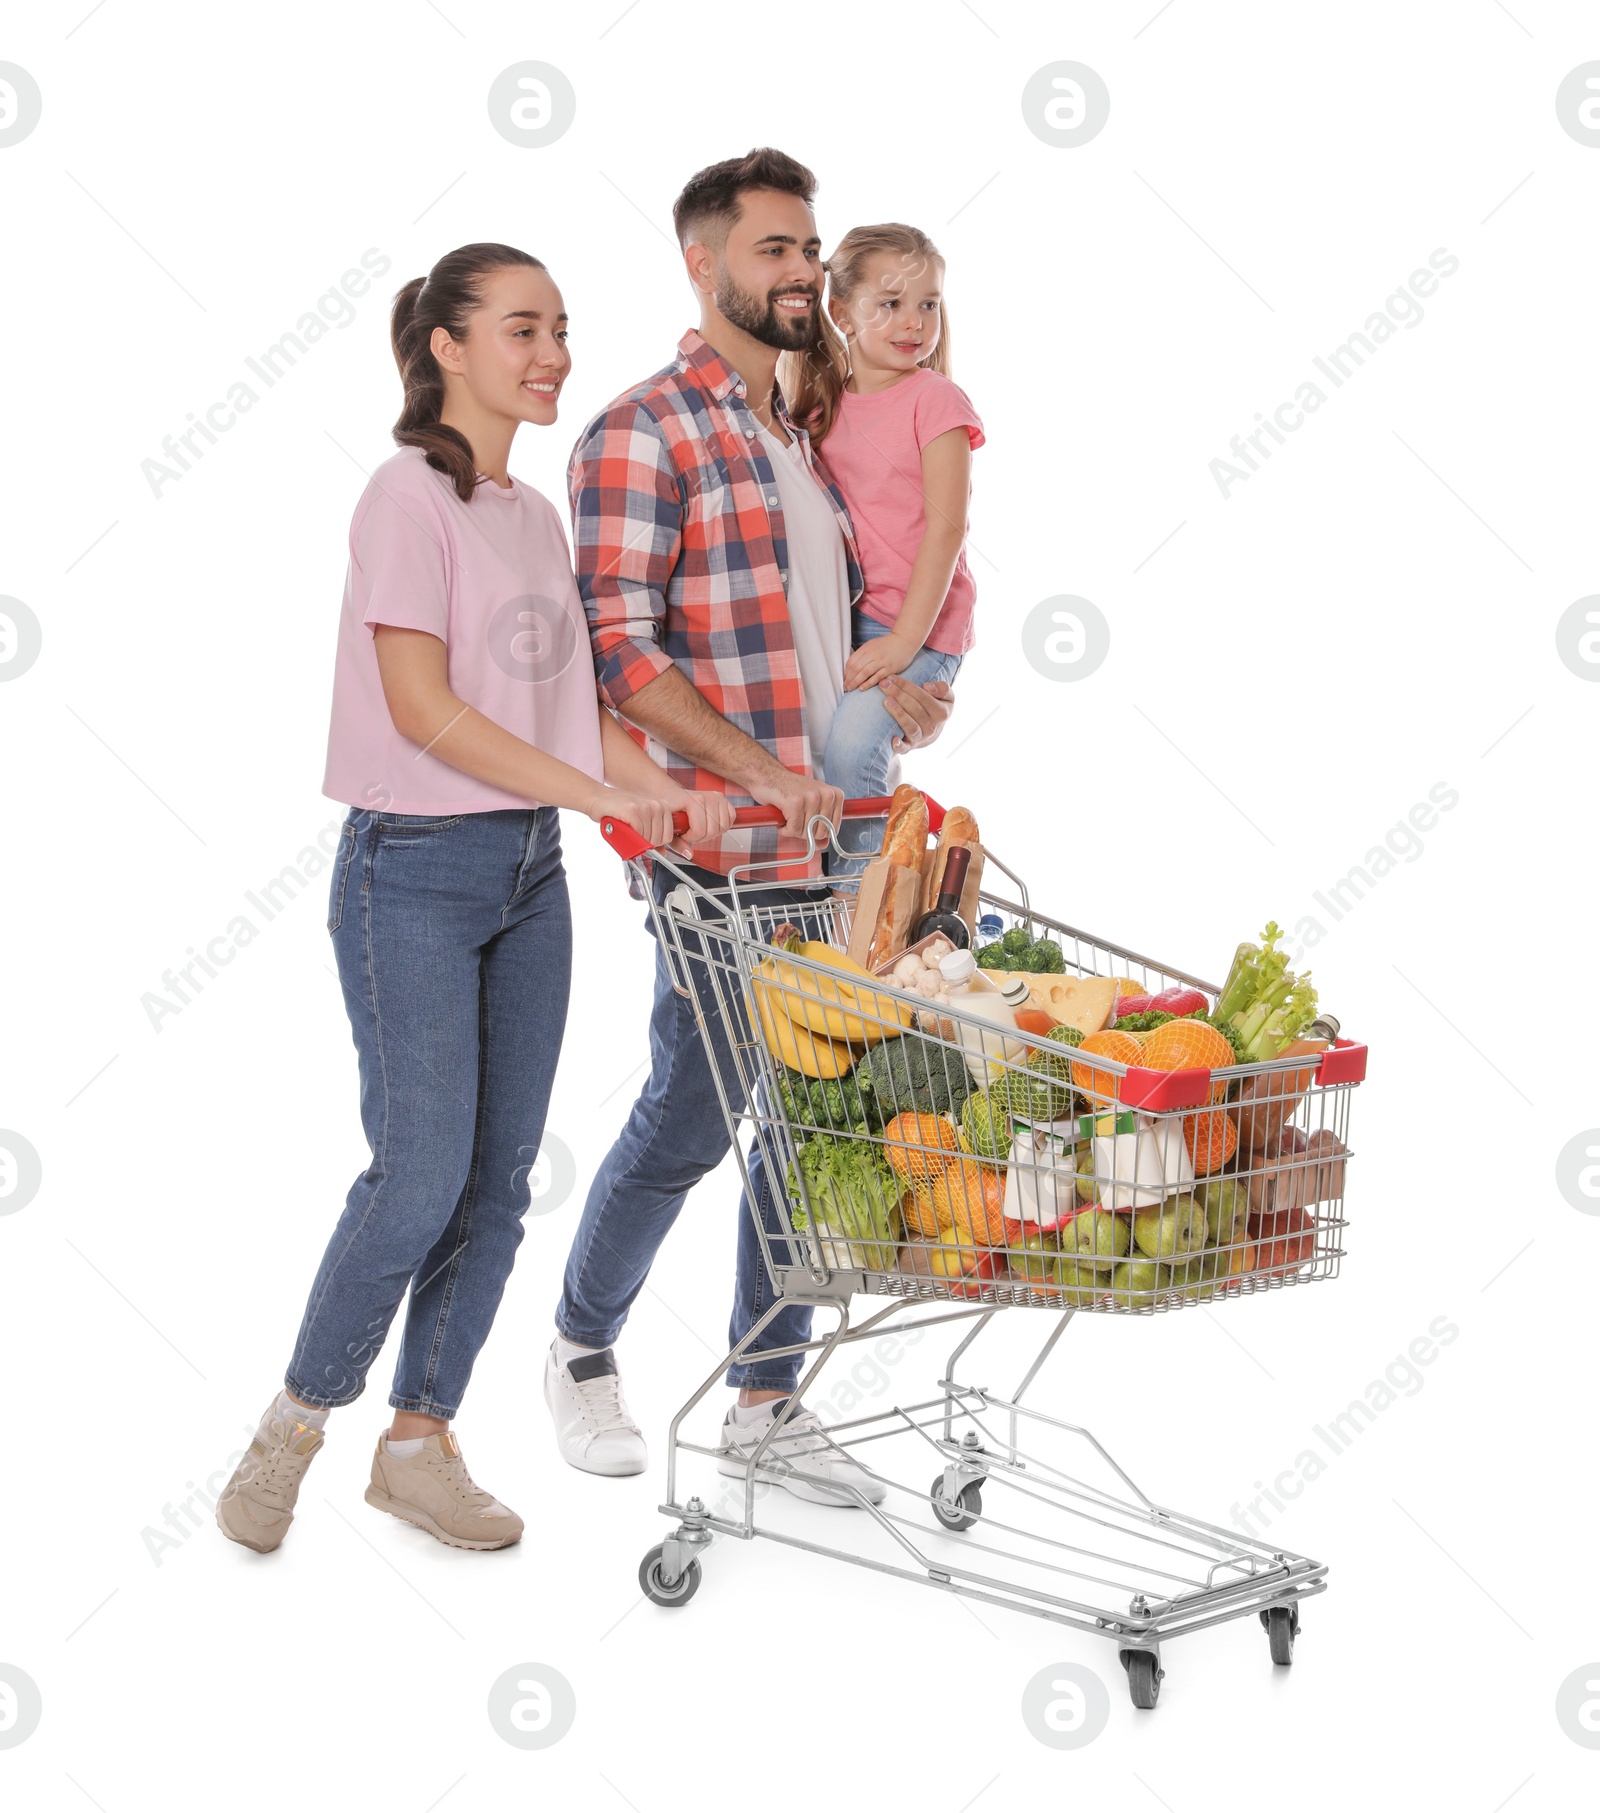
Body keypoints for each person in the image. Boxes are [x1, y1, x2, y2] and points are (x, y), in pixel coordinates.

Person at [217, 242, 730, 1555]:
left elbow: (576, 713)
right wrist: (597, 794)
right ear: (446, 345)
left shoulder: (530, 516)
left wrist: (678, 792)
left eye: (561, 328)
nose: (553, 352)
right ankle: (291, 1426)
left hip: (526, 879)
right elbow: (424, 710)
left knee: (498, 1179)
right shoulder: (405, 498)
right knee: (417, 1176)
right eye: (522, 329)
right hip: (415, 873)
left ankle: (420, 1444)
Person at [544, 150, 953, 1499]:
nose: (801, 273)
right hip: (720, 844)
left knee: (819, 1116)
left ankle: (767, 1397)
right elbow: (617, 647)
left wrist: (898, 690)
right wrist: (753, 771)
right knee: (695, 1111)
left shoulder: (804, 439)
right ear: (702, 262)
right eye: (774, 249)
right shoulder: (639, 430)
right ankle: (583, 1348)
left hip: (838, 845)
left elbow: (840, 614)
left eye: (810, 249)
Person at [783, 223, 984, 875]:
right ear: (840, 312)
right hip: (852, 624)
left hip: (920, 632)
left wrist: (902, 643)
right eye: (891, 303)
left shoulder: (937, 399)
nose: (915, 322)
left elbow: (946, 528)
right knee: (820, 755)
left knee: (850, 752)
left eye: (928, 303)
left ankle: (858, 913)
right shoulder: (818, 409)